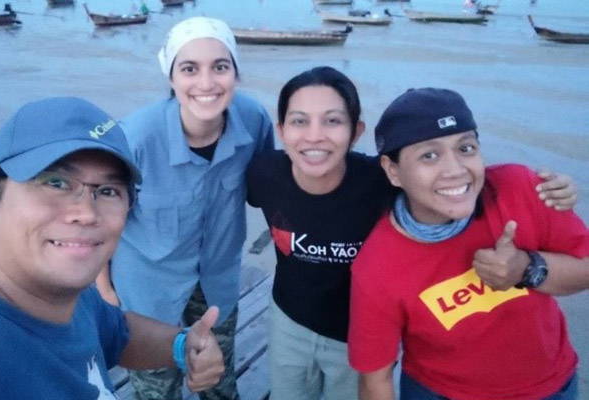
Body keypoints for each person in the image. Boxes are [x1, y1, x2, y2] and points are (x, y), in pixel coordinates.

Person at [246, 67, 579, 400]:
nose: (314, 136)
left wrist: (545, 204)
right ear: (281, 130)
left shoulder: (386, 185)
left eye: (332, 120)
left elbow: (455, 182)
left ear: (355, 132)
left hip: (351, 333)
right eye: (300, 121)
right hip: (291, 319)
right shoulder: (264, 174)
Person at [0, 97, 225, 400]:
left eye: (108, 191)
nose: (86, 213)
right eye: (55, 182)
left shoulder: (77, 301)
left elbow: (118, 334)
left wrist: (183, 345)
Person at [348, 88, 589, 400]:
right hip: (440, 392)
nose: (456, 170)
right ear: (393, 171)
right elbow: (375, 380)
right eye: (429, 155)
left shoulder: (521, 190)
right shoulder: (378, 265)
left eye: (466, 148)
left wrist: (528, 268)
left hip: (552, 387)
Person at [96, 17, 274, 400]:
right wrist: (105, 292)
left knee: (218, 380)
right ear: (171, 76)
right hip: (147, 290)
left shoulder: (254, 120)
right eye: (190, 68)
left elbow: (269, 189)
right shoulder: (134, 138)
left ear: (236, 73)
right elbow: (99, 219)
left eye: (220, 67)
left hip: (216, 281)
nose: (207, 83)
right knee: (157, 387)